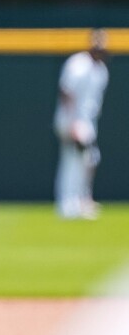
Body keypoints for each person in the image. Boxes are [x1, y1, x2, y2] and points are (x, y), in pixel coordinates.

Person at [54, 29, 110, 220]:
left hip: (86, 122)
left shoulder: (101, 70)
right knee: (74, 161)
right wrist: (72, 123)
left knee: (88, 159)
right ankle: (67, 205)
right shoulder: (79, 64)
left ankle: (80, 201)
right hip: (72, 120)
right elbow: (66, 91)